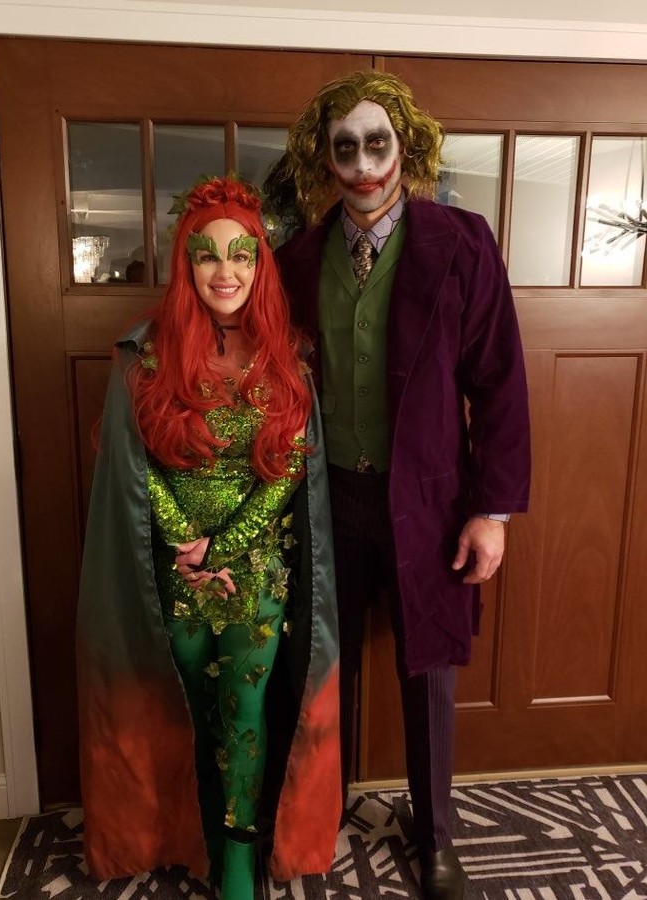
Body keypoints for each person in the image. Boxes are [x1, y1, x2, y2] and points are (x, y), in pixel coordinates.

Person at [267, 71, 531, 900]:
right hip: (325, 500)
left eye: (377, 143)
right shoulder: (297, 260)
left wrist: (491, 511)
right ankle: (318, 812)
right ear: (326, 158)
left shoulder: (463, 243)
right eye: (344, 147)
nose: (362, 164)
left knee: (430, 674)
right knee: (321, 665)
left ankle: (437, 835)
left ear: (405, 146)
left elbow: (500, 382)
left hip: (430, 501)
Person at [76, 177, 341, 899]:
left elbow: (291, 468)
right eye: (207, 255)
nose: (226, 271)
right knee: (189, 710)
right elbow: (134, 466)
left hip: (256, 571)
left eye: (241, 255)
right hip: (176, 573)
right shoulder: (145, 355)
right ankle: (197, 841)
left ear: (260, 264)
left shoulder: (288, 355)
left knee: (245, 713)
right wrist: (186, 544)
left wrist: (223, 548)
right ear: (186, 264)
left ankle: (238, 861)